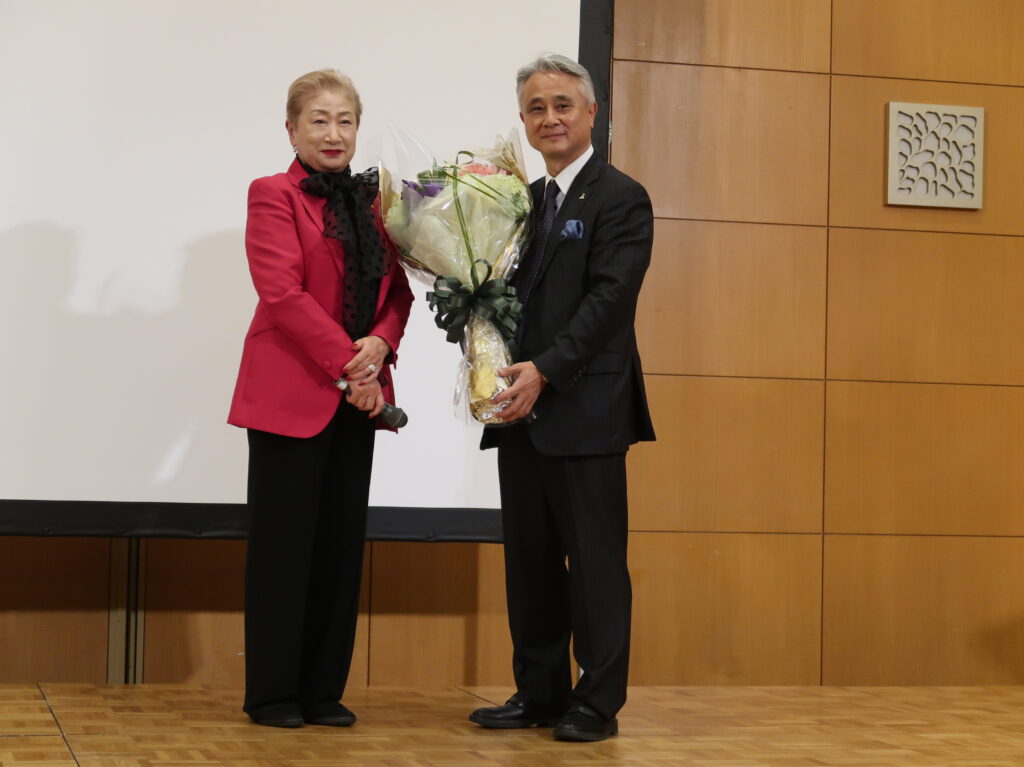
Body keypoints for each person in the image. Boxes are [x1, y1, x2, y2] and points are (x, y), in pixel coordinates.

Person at [469, 54, 655, 742]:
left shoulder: (621, 197)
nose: (549, 118)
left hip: (586, 410)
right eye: (536, 108)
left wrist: (544, 370)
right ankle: (539, 693)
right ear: (523, 121)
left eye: (562, 105)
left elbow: (610, 300)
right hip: (519, 411)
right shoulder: (520, 202)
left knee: (595, 566)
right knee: (531, 563)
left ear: (592, 113)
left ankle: (596, 703)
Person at [228, 69, 413, 728]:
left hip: (359, 400)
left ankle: (322, 692)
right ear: (292, 129)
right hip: (292, 396)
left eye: (345, 121)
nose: (334, 133)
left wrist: (382, 344)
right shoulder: (272, 193)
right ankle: (274, 694)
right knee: (283, 550)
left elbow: (398, 293)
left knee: (339, 549)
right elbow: (282, 295)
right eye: (319, 120)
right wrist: (352, 367)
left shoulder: (377, 203)